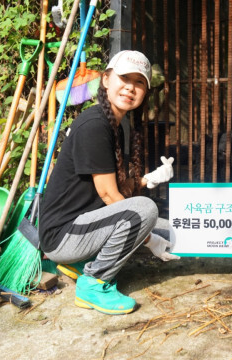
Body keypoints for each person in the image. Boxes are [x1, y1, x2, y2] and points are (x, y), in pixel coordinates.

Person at [39, 50, 179, 315]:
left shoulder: (114, 125)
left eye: (140, 83)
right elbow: (108, 195)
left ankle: (81, 263)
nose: (130, 87)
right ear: (106, 80)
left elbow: (119, 189)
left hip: (83, 225)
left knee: (171, 229)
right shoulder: (94, 125)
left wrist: (147, 179)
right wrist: (148, 240)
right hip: (63, 236)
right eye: (125, 78)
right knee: (146, 211)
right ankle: (93, 282)